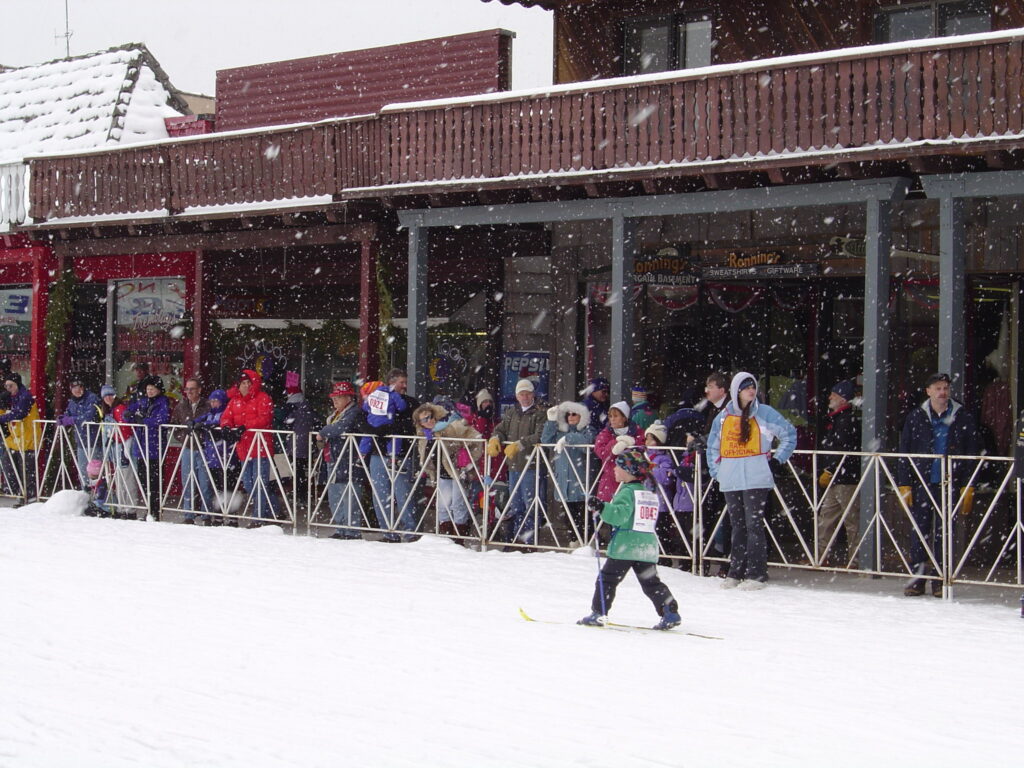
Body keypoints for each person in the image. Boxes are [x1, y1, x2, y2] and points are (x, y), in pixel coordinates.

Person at [707, 372, 797, 590]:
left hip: (757, 479)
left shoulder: (765, 413)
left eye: (753, 386)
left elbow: (789, 434)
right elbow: (712, 447)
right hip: (731, 480)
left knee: (754, 525)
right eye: (746, 387)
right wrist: (718, 472)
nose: (751, 390)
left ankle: (756, 573)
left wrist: (777, 461)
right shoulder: (723, 417)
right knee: (737, 526)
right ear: (736, 390)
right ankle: (735, 571)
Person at [577, 447, 681, 630]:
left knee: (607, 579)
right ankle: (669, 610)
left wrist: (602, 507)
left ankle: (599, 612)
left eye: (618, 467)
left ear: (629, 471)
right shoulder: (647, 492)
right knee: (651, 582)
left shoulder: (626, 492)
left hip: (626, 546)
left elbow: (619, 516)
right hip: (646, 546)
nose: (614, 470)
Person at [898, 372, 980, 597]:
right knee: (919, 532)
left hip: (949, 483)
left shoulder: (962, 416)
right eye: (938, 388)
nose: (943, 392)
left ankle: (939, 579)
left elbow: (972, 450)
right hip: (923, 481)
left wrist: (969, 484)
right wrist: (904, 483)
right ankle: (917, 578)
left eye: (945, 388)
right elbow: (904, 450)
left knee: (944, 533)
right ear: (928, 391)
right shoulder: (916, 416)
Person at [360, 369, 420, 541]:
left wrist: (392, 428)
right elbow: (362, 416)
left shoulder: (410, 403)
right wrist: (371, 430)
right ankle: (388, 532)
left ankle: (410, 533)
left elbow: (412, 424)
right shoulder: (377, 396)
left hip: (400, 453)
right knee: (380, 494)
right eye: (402, 382)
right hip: (377, 452)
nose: (404, 386)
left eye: (405, 382)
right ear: (392, 382)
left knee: (403, 494)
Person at [487, 378, 547, 544]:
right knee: (516, 505)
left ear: (533, 394)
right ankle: (516, 538)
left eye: (527, 393)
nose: (525, 397)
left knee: (531, 505)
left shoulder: (540, 412)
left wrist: (520, 444)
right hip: (513, 466)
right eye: (522, 394)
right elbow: (500, 429)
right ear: (517, 395)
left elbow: (541, 435)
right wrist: (495, 438)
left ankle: (529, 540)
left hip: (532, 465)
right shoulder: (512, 412)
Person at [414, 402, 483, 541]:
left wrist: (468, 462)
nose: (430, 421)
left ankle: (458, 539)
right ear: (420, 423)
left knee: (458, 505)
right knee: (443, 506)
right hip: (441, 474)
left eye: (431, 416)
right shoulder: (423, 435)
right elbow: (426, 455)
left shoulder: (451, 426)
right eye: (425, 419)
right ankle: (445, 538)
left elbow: (477, 439)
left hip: (457, 472)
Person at [221, 369, 281, 524]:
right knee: (249, 484)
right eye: (243, 383)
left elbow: (265, 419)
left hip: (261, 447)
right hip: (244, 448)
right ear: (238, 385)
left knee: (260, 484)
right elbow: (226, 416)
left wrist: (244, 426)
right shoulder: (235, 401)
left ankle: (259, 517)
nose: (246, 386)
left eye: (249, 382)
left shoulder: (263, 398)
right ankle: (274, 511)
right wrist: (227, 426)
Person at [817, 380, 861, 566]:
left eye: (834, 394)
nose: (830, 397)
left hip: (845, 478)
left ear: (843, 398)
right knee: (826, 518)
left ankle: (856, 559)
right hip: (838, 477)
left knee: (851, 520)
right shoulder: (837, 419)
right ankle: (820, 556)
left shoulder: (845, 420)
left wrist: (831, 469)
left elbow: (843, 449)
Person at [317, 381, 365, 539]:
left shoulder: (354, 412)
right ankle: (340, 528)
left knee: (349, 495)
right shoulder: (335, 414)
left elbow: (341, 428)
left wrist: (323, 432)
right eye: (334, 397)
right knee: (335, 495)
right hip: (334, 458)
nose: (335, 400)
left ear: (348, 398)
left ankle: (351, 530)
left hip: (348, 459)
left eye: (339, 397)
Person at [541, 400, 594, 541]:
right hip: (564, 482)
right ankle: (574, 541)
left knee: (584, 516)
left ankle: (587, 541)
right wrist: (551, 421)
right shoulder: (560, 431)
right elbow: (546, 441)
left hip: (581, 481)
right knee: (569, 517)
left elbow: (587, 444)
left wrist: (569, 437)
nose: (571, 417)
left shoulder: (588, 430)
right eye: (568, 414)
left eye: (574, 414)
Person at [696, 372, 731, 576]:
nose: (706, 390)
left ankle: (727, 560)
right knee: (712, 514)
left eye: (711, 386)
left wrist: (705, 440)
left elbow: (723, 435)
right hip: (714, 470)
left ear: (722, 390)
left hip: (726, 469)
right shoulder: (713, 410)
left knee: (726, 516)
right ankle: (708, 558)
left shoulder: (729, 409)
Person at [123, 376, 171, 520]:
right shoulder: (142, 401)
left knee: (154, 482)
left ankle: (155, 511)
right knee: (144, 481)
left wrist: (144, 421)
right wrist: (129, 414)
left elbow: (162, 419)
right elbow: (130, 413)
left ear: (158, 389)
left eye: (152, 389)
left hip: (155, 447)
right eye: (148, 389)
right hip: (141, 446)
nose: (149, 391)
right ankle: (149, 509)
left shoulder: (163, 402)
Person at [171, 378, 213, 524]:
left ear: (199, 390)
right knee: (187, 481)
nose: (189, 392)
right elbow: (174, 425)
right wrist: (183, 436)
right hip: (188, 447)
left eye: (192, 389)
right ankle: (189, 514)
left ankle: (206, 514)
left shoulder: (207, 405)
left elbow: (212, 422)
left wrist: (202, 433)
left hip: (203, 448)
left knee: (205, 483)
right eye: (187, 389)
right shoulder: (181, 406)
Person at [593, 401, 645, 503]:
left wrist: (632, 444)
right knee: (609, 511)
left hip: (632, 479)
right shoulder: (606, 432)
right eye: (610, 416)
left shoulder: (638, 432)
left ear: (624, 418)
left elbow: (643, 447)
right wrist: (615, 443)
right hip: (610, 479)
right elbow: (600, 451)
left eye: (615, 416)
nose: (612, 419)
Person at [0, 373, 39, 503]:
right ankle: (19, 495)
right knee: (9, 467)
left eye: (10, 385)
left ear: (17, 384)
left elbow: (20, 413)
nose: (8, 388)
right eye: (6, 386)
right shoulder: (10, 397)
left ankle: (29, 497)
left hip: (28, 440)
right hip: (14, 439)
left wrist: (3, 418)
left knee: (27, 471)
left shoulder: (25, 397)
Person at [60, 379, 102, 489]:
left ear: (83, 388)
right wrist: (62, 418)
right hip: (80, 440)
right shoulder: (72, 401)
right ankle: (85, 494)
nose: (77, 391)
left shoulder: (92, 398)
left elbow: (89, 416)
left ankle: (98, 496)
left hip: (93, 439)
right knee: (83, 470)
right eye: (74, 389)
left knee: (95, 470)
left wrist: (72, 420)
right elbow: (67, 413)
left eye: (79, 388)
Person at [280, 384, 317, 502]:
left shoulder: (293, 408)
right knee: (304, 471)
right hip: (307, 444)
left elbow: (287, 422)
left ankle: (299, 495)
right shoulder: (308, 408)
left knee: (297, 471)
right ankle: (304, 495)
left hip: (296, 444)